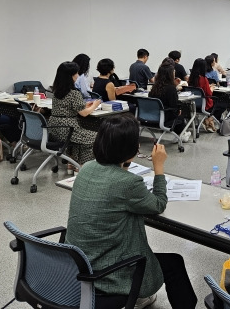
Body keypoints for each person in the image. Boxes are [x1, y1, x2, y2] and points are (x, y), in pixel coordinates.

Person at [65, 115, 197, 309]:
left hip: (79, 264)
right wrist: (158, 168)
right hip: (106, 275)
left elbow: (113, 186)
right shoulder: (128, 184)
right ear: (131, 150)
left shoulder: (86, 168)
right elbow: (158, 204)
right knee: (174, 263)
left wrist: (124, 163)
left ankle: (136, 297)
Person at [48, 61, 101, 169]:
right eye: (76, 73)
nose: (78, 75)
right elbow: (84, 113)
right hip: (68, 129)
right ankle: (83, 166)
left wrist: (85, 104)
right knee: (96, 137)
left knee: (81, 136)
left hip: (54, 128)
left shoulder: (56, 91)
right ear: (70, 76)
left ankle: (72, 164)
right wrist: (95, 105)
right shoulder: (74, 93)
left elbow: (68, 106)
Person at [149, 62, 191, 142]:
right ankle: (182, 134)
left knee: (178, 111)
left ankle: (181, 134)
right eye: (174, 73)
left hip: (151, 116)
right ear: (170, 75)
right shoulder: (170, 89)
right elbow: (174, 106)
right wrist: (179, 110)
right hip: (164, 117)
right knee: (183, 110)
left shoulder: (154, 87)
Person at [189, 58, 229, 132]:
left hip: (194, 104)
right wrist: (211, 88)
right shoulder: (203, 79)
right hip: (205, 104)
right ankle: (209, 119)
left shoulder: (191, 78)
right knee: (223, 104)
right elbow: (209, 93)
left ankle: (210, 121)